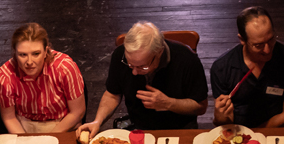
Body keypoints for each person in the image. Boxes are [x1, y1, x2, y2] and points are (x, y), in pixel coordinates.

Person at [78, 21, 207, 134]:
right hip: (139, 128)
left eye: (142, 67)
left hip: (179, 128)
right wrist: (97, 121)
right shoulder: (120, 56)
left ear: (159, 53)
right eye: (130, 64)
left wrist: (169, 103)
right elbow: (112, 94)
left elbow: (201, 106)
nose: (134, 72)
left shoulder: (187, 60)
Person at [211, 7, 284, 128]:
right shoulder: (222, 67)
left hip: (277, 127)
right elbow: (223, 121)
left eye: (271, 39)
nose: (267, 50)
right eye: (258, 45)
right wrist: (220, 117)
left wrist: (259, 133)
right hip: (239, 131)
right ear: (242, 39)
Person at [0, 23, 86, 134]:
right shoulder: (5, 77)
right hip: (24, 128)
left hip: (64, 125)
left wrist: (47, 139)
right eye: (23, 55)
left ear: (45, 51)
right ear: (15, 53)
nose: (29, 62)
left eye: (36, 54)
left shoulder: (64, 68)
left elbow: (77, 112)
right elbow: (9, 118)